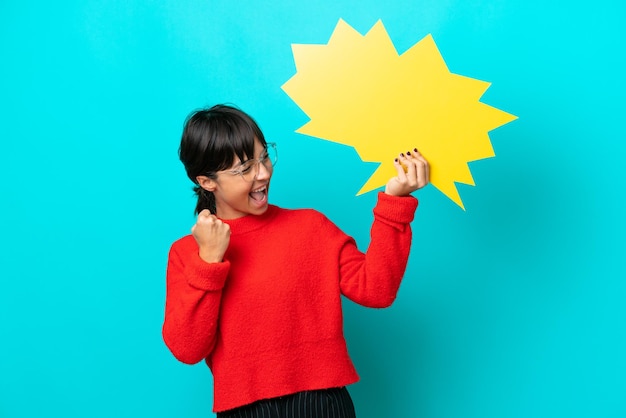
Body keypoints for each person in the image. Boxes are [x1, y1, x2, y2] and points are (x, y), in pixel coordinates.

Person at [162, 104, 429, 417]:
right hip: (244, 410)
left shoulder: (310, 227)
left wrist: (395, 202)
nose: (263, 173)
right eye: (245, 168)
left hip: (323, 404)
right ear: (208, 181)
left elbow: (376, 289)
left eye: (264, 156)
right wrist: (208, 262)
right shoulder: (188, 252)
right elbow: (187, 349)